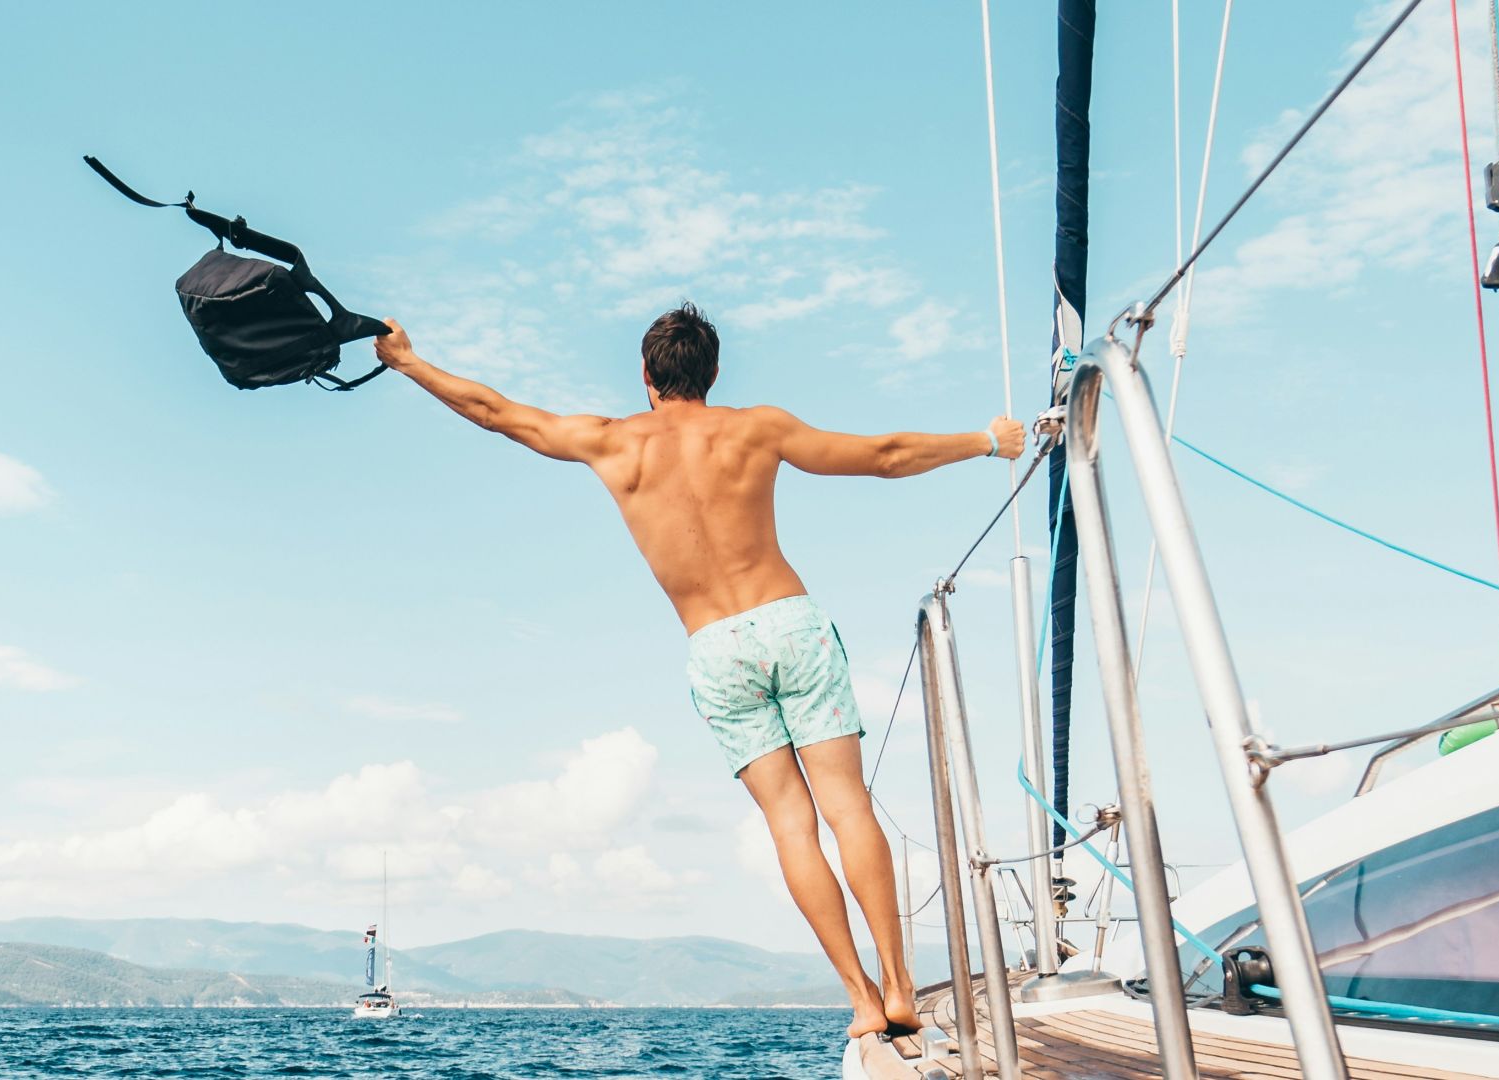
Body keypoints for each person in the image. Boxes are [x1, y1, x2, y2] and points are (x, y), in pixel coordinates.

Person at [372, 304, 1025, 1037]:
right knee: (847, 806)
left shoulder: (610, 443)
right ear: (712, 374)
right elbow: (886, 454)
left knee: (791, 824)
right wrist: (985, 441)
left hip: (716, 645)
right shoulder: (756, 428)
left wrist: (409, 362)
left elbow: (495, 412)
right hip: (789, 621)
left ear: (647, 377)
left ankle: (864, 1002)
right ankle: (902, 985)